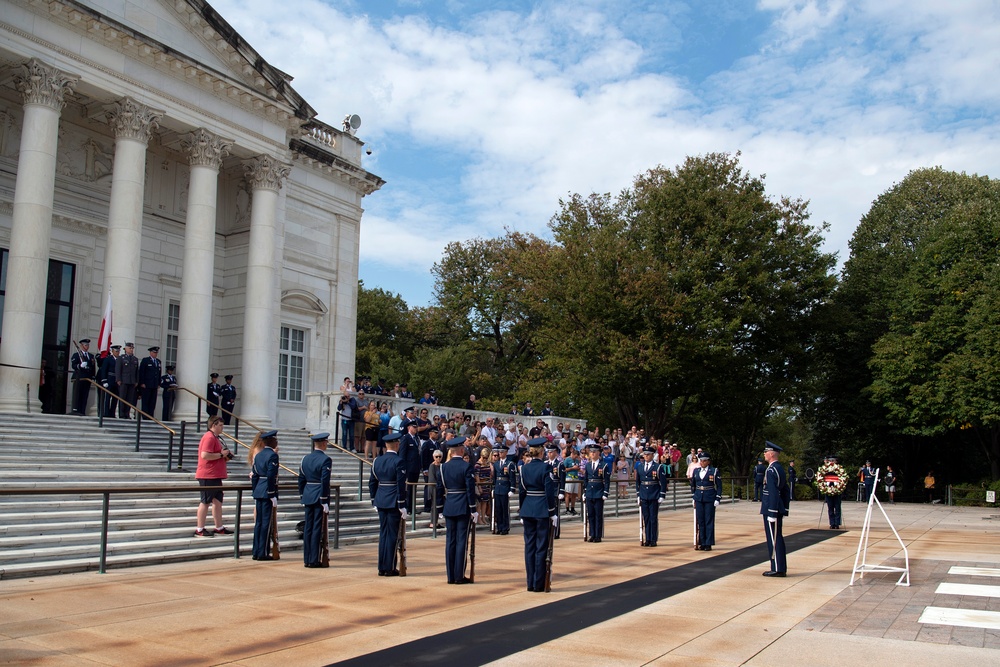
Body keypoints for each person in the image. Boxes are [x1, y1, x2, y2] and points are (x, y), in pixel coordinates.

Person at [519, 437, 557, 592]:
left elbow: (522, 491)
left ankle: (530, 583)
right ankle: (538, 584)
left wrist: (522, 510)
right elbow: (549, 492)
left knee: (529, 547)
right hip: (541, 509)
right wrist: (552, 511)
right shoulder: (546, 468)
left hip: (528, 508)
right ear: (542, 452)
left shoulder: (524, 468)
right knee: (541, 547)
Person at [369, 431, 407, 576]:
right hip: (393, 501)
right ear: (397, 445)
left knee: (383, 534)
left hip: (381, 499)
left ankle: (381, 567)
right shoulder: (399, 461)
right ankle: (389, 567)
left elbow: (372, 482)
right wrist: (402, 504)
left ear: (386, 445)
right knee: (391, 535)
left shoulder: (377, 461)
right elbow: (400, 484)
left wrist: (374, 500)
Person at [440, 436, 476, 584]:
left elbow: (439, 489)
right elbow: (470, 489)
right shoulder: (466, 466)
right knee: (461, 541)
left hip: (449, 505)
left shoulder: (443, 467)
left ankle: (450, 576)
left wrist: (440, 508)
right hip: (463, 506)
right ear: (461, 450)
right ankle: (459, 575)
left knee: (450, 541)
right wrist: (473, 508)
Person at [194, 416, 234, 537]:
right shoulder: (209, 437)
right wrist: (221, 455)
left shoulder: (216, 438)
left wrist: (225, 456)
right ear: (213, 425)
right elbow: (205, 455)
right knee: (205, 501)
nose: (222, 428)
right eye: (220, 425)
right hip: (208, 475)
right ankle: (200, 529)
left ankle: (219, 527)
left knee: (217, 501)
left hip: (216, 475)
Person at [299, 432, 332, 568]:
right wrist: (324, 500)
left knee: (308, 528)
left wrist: (303, 495)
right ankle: (314, 559)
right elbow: (325, 481)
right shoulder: (326, 460)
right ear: (323, 443)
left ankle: (307, 558)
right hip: (319, 495)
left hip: (308, 494)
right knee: (317, 528)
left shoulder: (305, 459)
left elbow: (301, 479)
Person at [761, 441, 790, 577]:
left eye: (766, 452)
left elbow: (773, 492)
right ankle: (778, 566)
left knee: (774, 538)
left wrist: (772, 511)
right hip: (776, 508)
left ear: (771, 454)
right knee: (775, 537)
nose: (765, 454)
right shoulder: (778, 468)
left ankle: (778, 568)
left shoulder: (772, 469)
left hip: (771, 509)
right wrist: (785, 508)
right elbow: (785, 490)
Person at [251, 429, 279, 561]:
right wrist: (272, 493)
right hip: (267, 491)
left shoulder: (258, 455)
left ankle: (256, 551)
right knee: (266, 523)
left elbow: (255, 475)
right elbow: (271, 475)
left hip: (259, 490)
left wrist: (255, 490)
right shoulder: (272, 455)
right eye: (275, 440)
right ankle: (262, 552)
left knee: (259, 522)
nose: (277, 442)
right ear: (271, 441)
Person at [692, 451, 722, 551]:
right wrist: (694, 497)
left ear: (708, 461)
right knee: (701, 521)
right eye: (701, 461)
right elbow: (693, 485)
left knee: (709, 520)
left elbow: (719, 485)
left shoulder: (714, 471)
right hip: (699, 498)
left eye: (704, 461)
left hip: (709, 497)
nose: (702, 462)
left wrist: (718, 498)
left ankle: (708, 543)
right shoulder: (696, 471)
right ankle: (702, 542)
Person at [636, 446, 666, 546]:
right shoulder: (640, 466)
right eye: (645, 454)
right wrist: (638, 495)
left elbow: (663, 482)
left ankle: (653, 539)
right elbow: (638, 482)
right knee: (646, 518)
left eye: (648, 454)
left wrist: (662, 495)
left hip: (654, 494)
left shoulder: (658, 467)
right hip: (644, 494)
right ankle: (647, 538)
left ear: (653, 455)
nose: (646, 456)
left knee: (653, 518)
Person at [581, 443, 610, 542]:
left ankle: (598, 535)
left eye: (594, 452)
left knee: (598, 514)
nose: (592, 454)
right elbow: (585, 479)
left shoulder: (604, 465)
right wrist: (585, 491)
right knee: (591, 515)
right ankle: (592, 534)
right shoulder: (588, 465)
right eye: (591, 452)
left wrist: (605, 492)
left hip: (599, 492)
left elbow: (606, 480)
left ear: (598, 453)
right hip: (590, 491)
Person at [397, 416, 422, 511]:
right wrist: (403, 467)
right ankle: (407, 507)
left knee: (413, 489)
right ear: (409, 428)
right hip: (408, 467)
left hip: (415, 467)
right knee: (408, 489)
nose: (415, 429)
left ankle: (412, 507)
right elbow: (402, 454)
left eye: (416, 427)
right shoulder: (405, 438)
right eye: (414, 427)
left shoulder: (417, 438)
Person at [492, 443, 516, 534]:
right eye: (499, 452)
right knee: (498, 509)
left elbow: (512, 477)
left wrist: (512, 489)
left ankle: (505, 527)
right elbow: (495, 477)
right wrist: (494, 487)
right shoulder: (496, 464)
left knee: (504, 509)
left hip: (505, 488)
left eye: (502, 452)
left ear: (506, 452)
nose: (500, 454)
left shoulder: (509, 464)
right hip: (498, 488)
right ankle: (500, 527)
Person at [70, 338, 96, 415]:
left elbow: (92, 367)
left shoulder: (91, 356)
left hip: (87, 378)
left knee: (85, 395)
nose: (87, 346)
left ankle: (82, 411)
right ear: (81, 346)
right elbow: (73, 365)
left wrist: (93, 376)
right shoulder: (76, 355)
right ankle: (76, 410)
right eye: (85, 345)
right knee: (78, 394)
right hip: (79, 378)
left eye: (88, 345)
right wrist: (80, 366)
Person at [115, 342, 139, 418]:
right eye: (130, 348)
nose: (131, 350)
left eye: (132, 348)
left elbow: (136, 371)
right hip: (124, 381)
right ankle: (121, 414)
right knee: (122, 398)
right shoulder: (121, 358)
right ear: (126, 349)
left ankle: (127, 413)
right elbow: (118, 369)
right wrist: (118, 379)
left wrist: (136, 381)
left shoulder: (135, 359)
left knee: (129, 399)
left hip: (131, 381)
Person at [97, 344, 121, 418]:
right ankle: (106, 413)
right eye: (116, 351)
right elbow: (104, 370)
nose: (117, 352)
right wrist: (104, 381)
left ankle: (112, 413)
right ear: (112, 351)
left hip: (116, 381)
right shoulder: (108, 359)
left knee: (115, 398)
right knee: (107, 398)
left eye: (118, 351)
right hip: (109, 380)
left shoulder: (120, 360)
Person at [137, 346, 161, 415]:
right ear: (150, 353)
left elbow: (159, 373)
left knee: (152, 401)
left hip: (154, 384)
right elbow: (142, 372)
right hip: (147, 384)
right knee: (146, 401)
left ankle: (151, 415)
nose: (155, 354)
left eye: (156, 353)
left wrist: (159, 383)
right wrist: (142, 382)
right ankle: (145, 416)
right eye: (154, 352)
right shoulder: (146, 360)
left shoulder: (158, 362)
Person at [474, 448, 493, 525]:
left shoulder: (487, 464)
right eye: (484, 457)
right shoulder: (477, 465)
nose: (485, 459)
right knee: (480, 503)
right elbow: (477, 476)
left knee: (485, 502)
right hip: (481, 484)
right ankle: (479, 519)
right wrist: (479, 486)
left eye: (486, 457)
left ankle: (483, 517)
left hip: (487, 484)